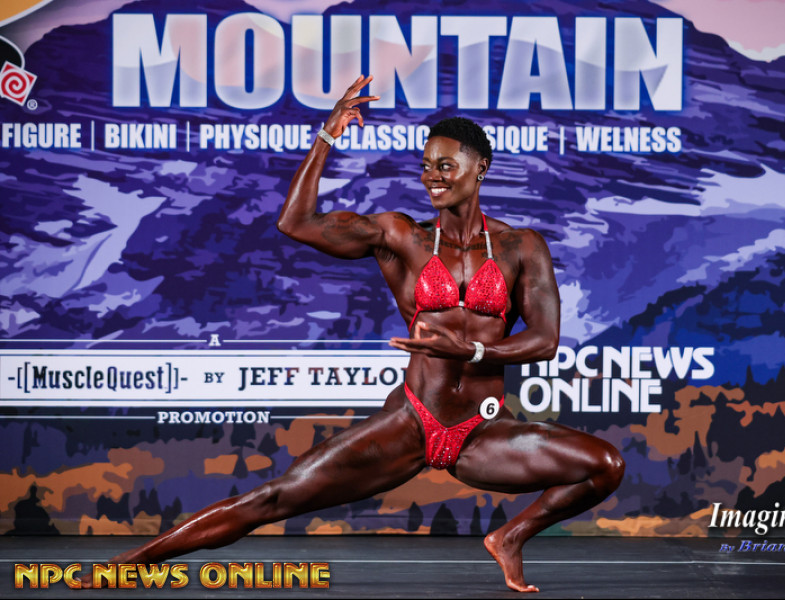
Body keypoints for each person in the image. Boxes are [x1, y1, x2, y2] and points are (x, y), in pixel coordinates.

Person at [86, 75, 624, 593]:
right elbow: (295, 222)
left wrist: (472, 349)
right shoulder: (401, 236)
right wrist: (327, 135)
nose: (432, 177)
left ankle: (510, 537)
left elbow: (545, 341)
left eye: (445, 166)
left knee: (604, 466)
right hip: (412, 423)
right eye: (426, 167)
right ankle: (124, 566)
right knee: (273, 499)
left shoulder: (521, 246)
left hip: (483, 433)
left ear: (479, 167)